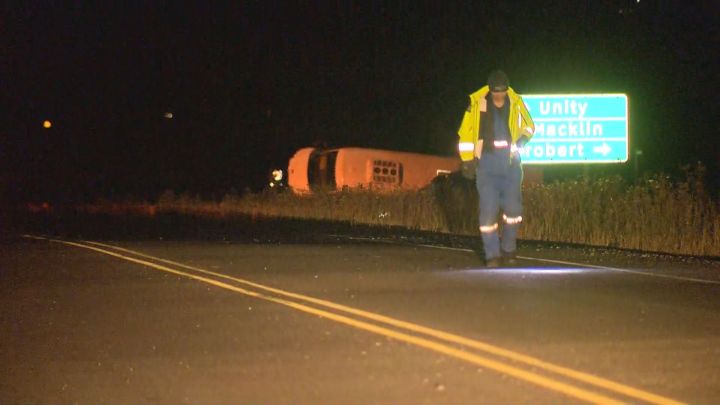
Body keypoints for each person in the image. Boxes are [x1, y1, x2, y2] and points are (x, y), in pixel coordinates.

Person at [457, 70, 535, 267]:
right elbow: (465, 133)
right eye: (496, 93)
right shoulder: (477, 104)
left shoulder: (516, 102)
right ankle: (492, 254)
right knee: (488, 211)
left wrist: (522, 139)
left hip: (510, 164)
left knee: (513, 209)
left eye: (502, 92)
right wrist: (467, 160)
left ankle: (509, 249)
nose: (499, 96)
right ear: (490, 91)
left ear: (507, 90)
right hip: (486, 165)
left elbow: (530, 126)